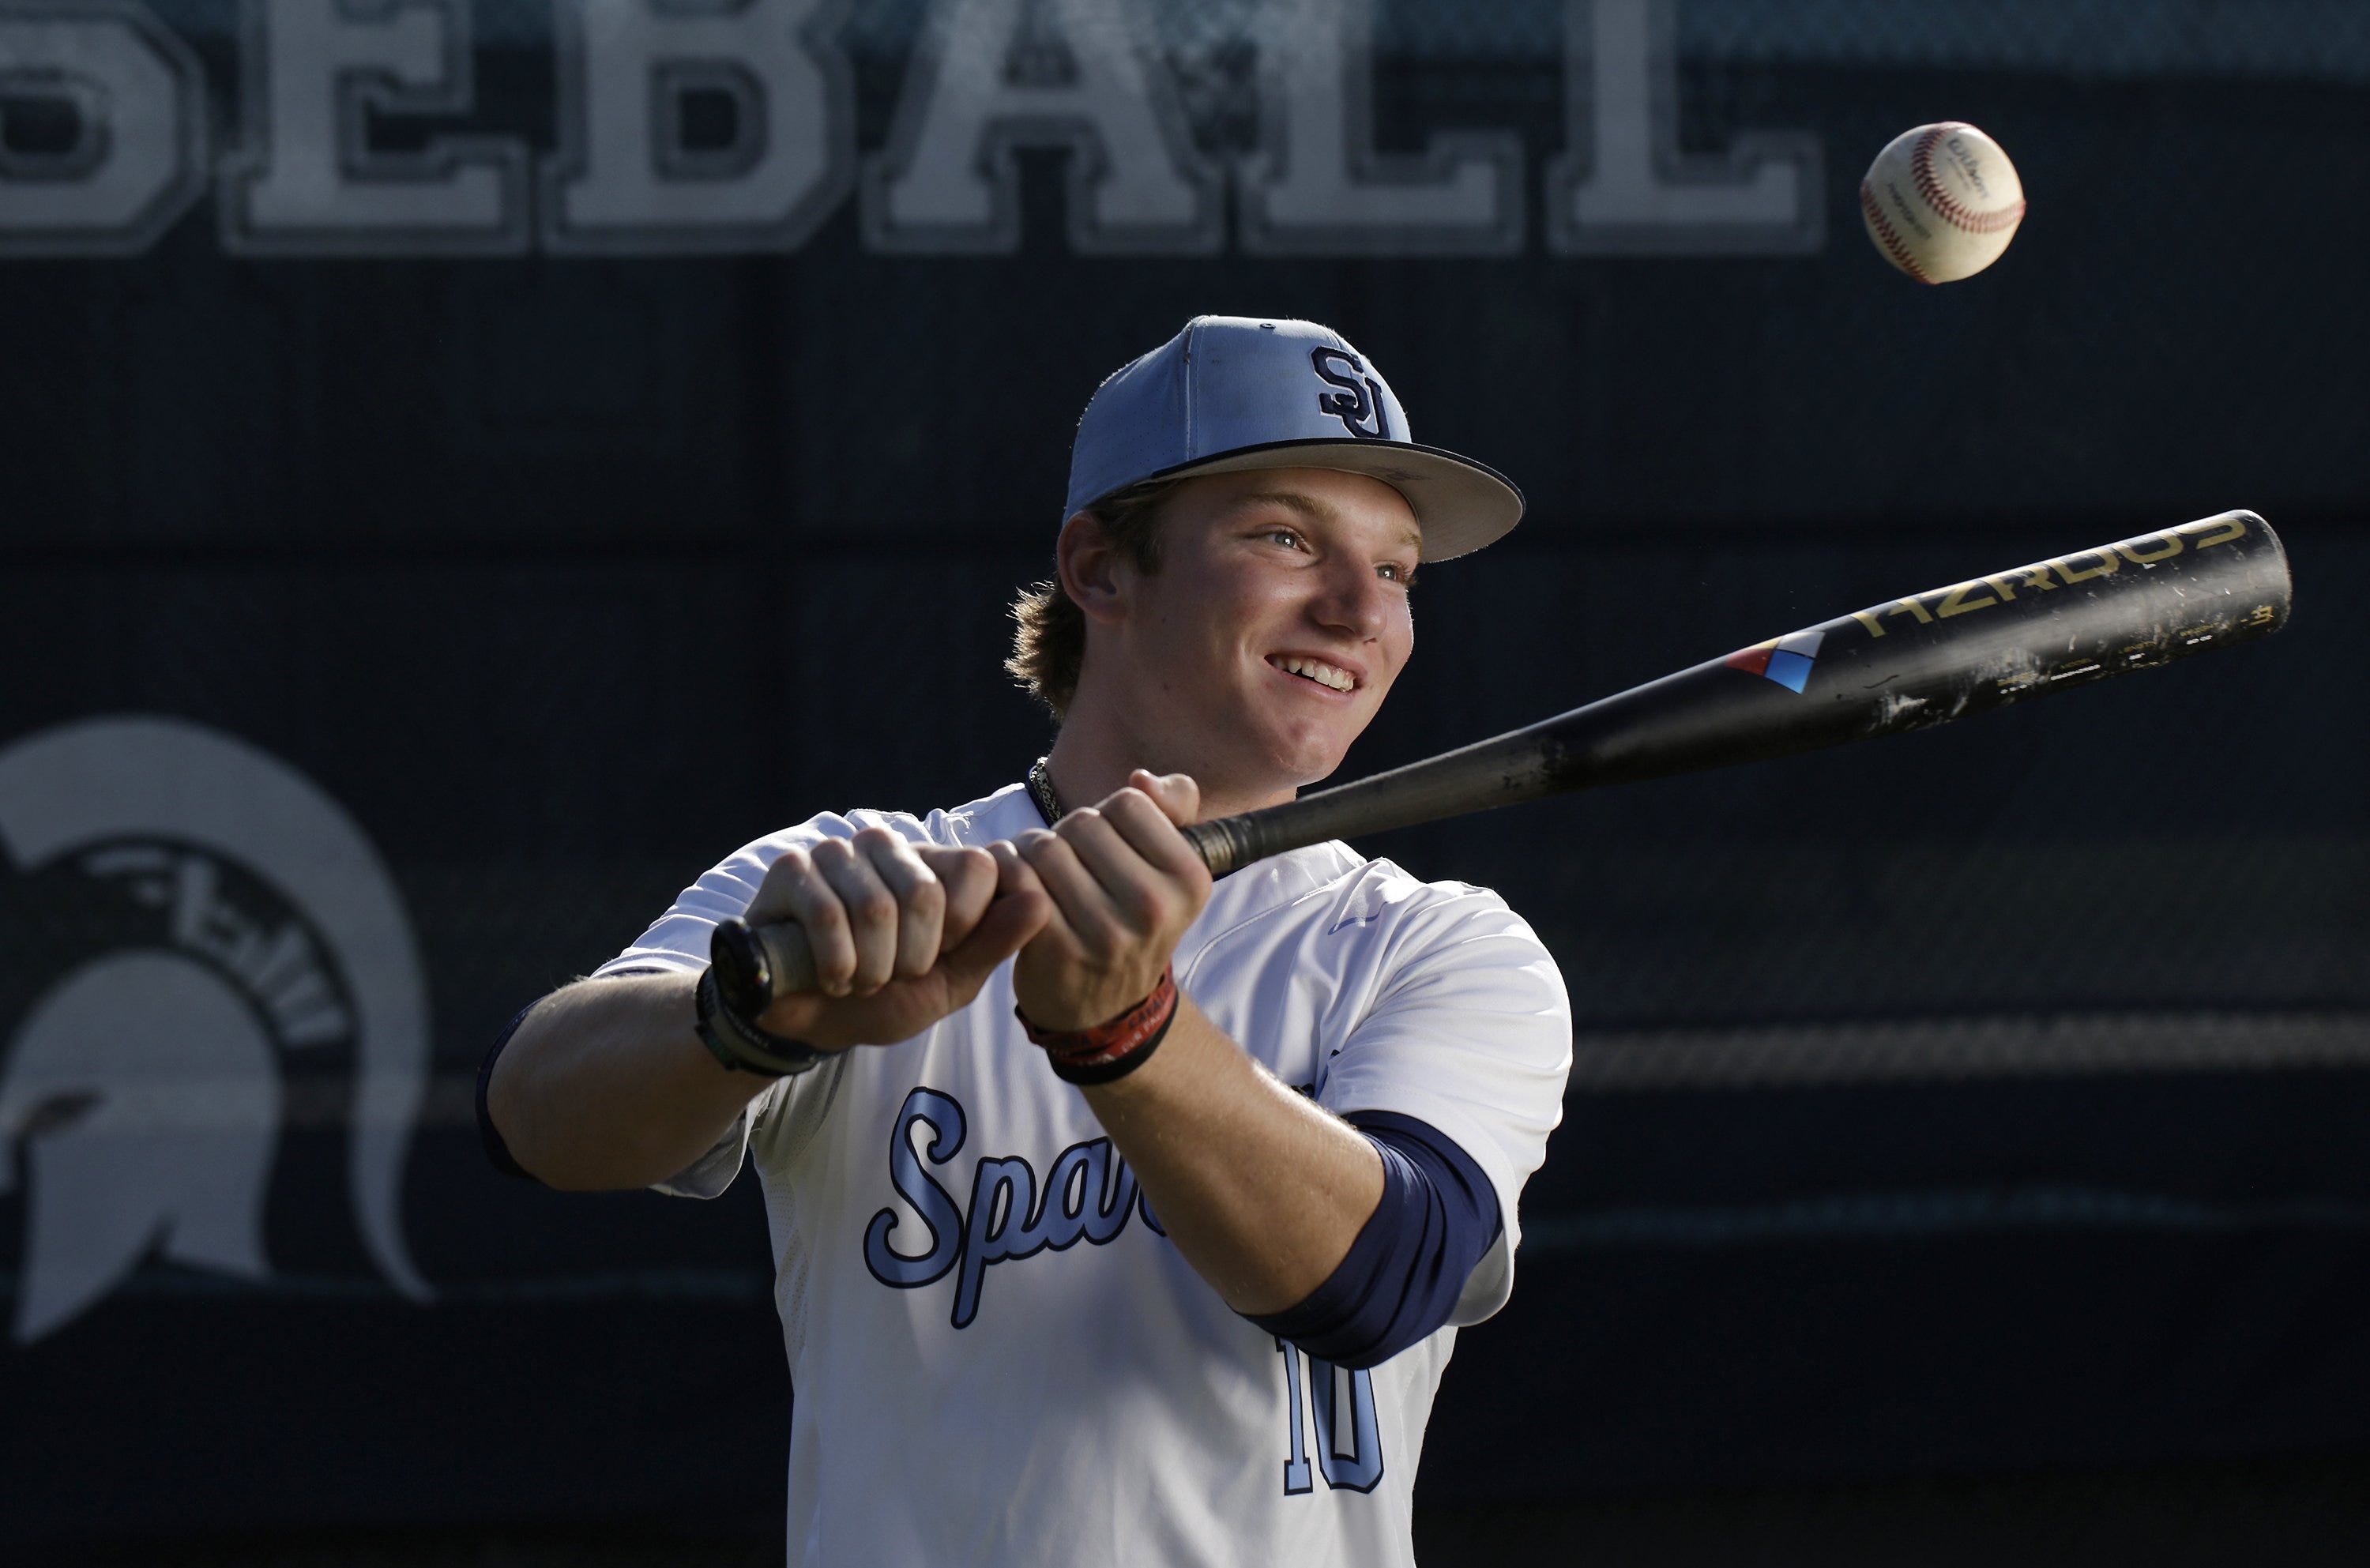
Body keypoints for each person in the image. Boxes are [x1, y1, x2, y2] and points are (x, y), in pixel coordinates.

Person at [480, 316, 1572, 1566]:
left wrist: (1130, 1035)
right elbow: (531, 1114)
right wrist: (748, 1019)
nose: (1357, 610)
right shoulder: (864, 883)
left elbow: (1380, 1279)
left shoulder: (1434, 948)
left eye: (1396, 570)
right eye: (1285, 538)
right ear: (1100, 569)